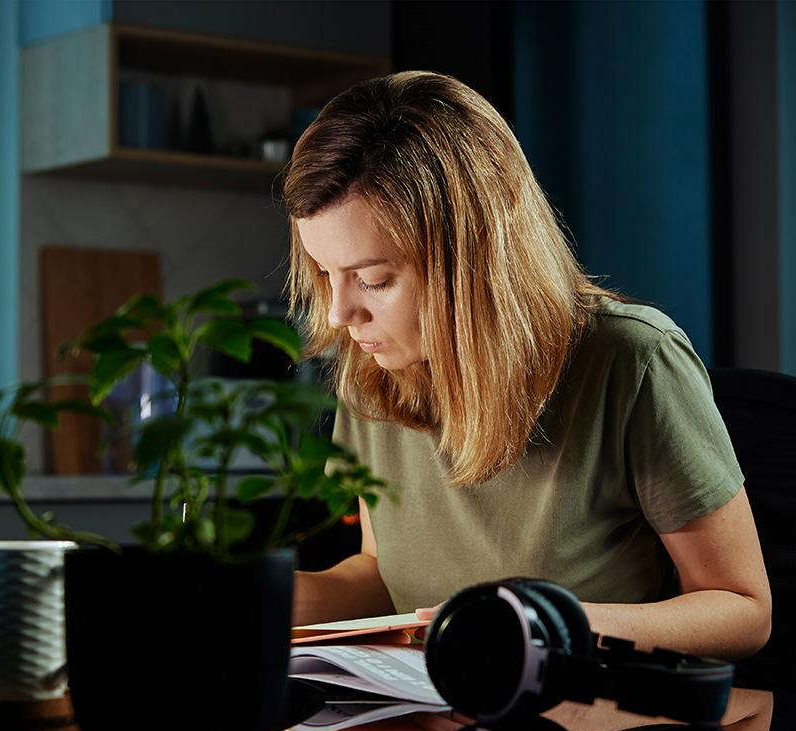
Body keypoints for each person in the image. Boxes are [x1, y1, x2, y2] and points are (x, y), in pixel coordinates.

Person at [284, 71, 771, 661]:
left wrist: (548, 624)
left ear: (473, 258)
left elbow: (742, 610)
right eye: (324, 273)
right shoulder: (372, 373)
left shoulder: (632, 361)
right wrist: (255, 597)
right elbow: (383, 571)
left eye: (373, 279)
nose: (339, 313)